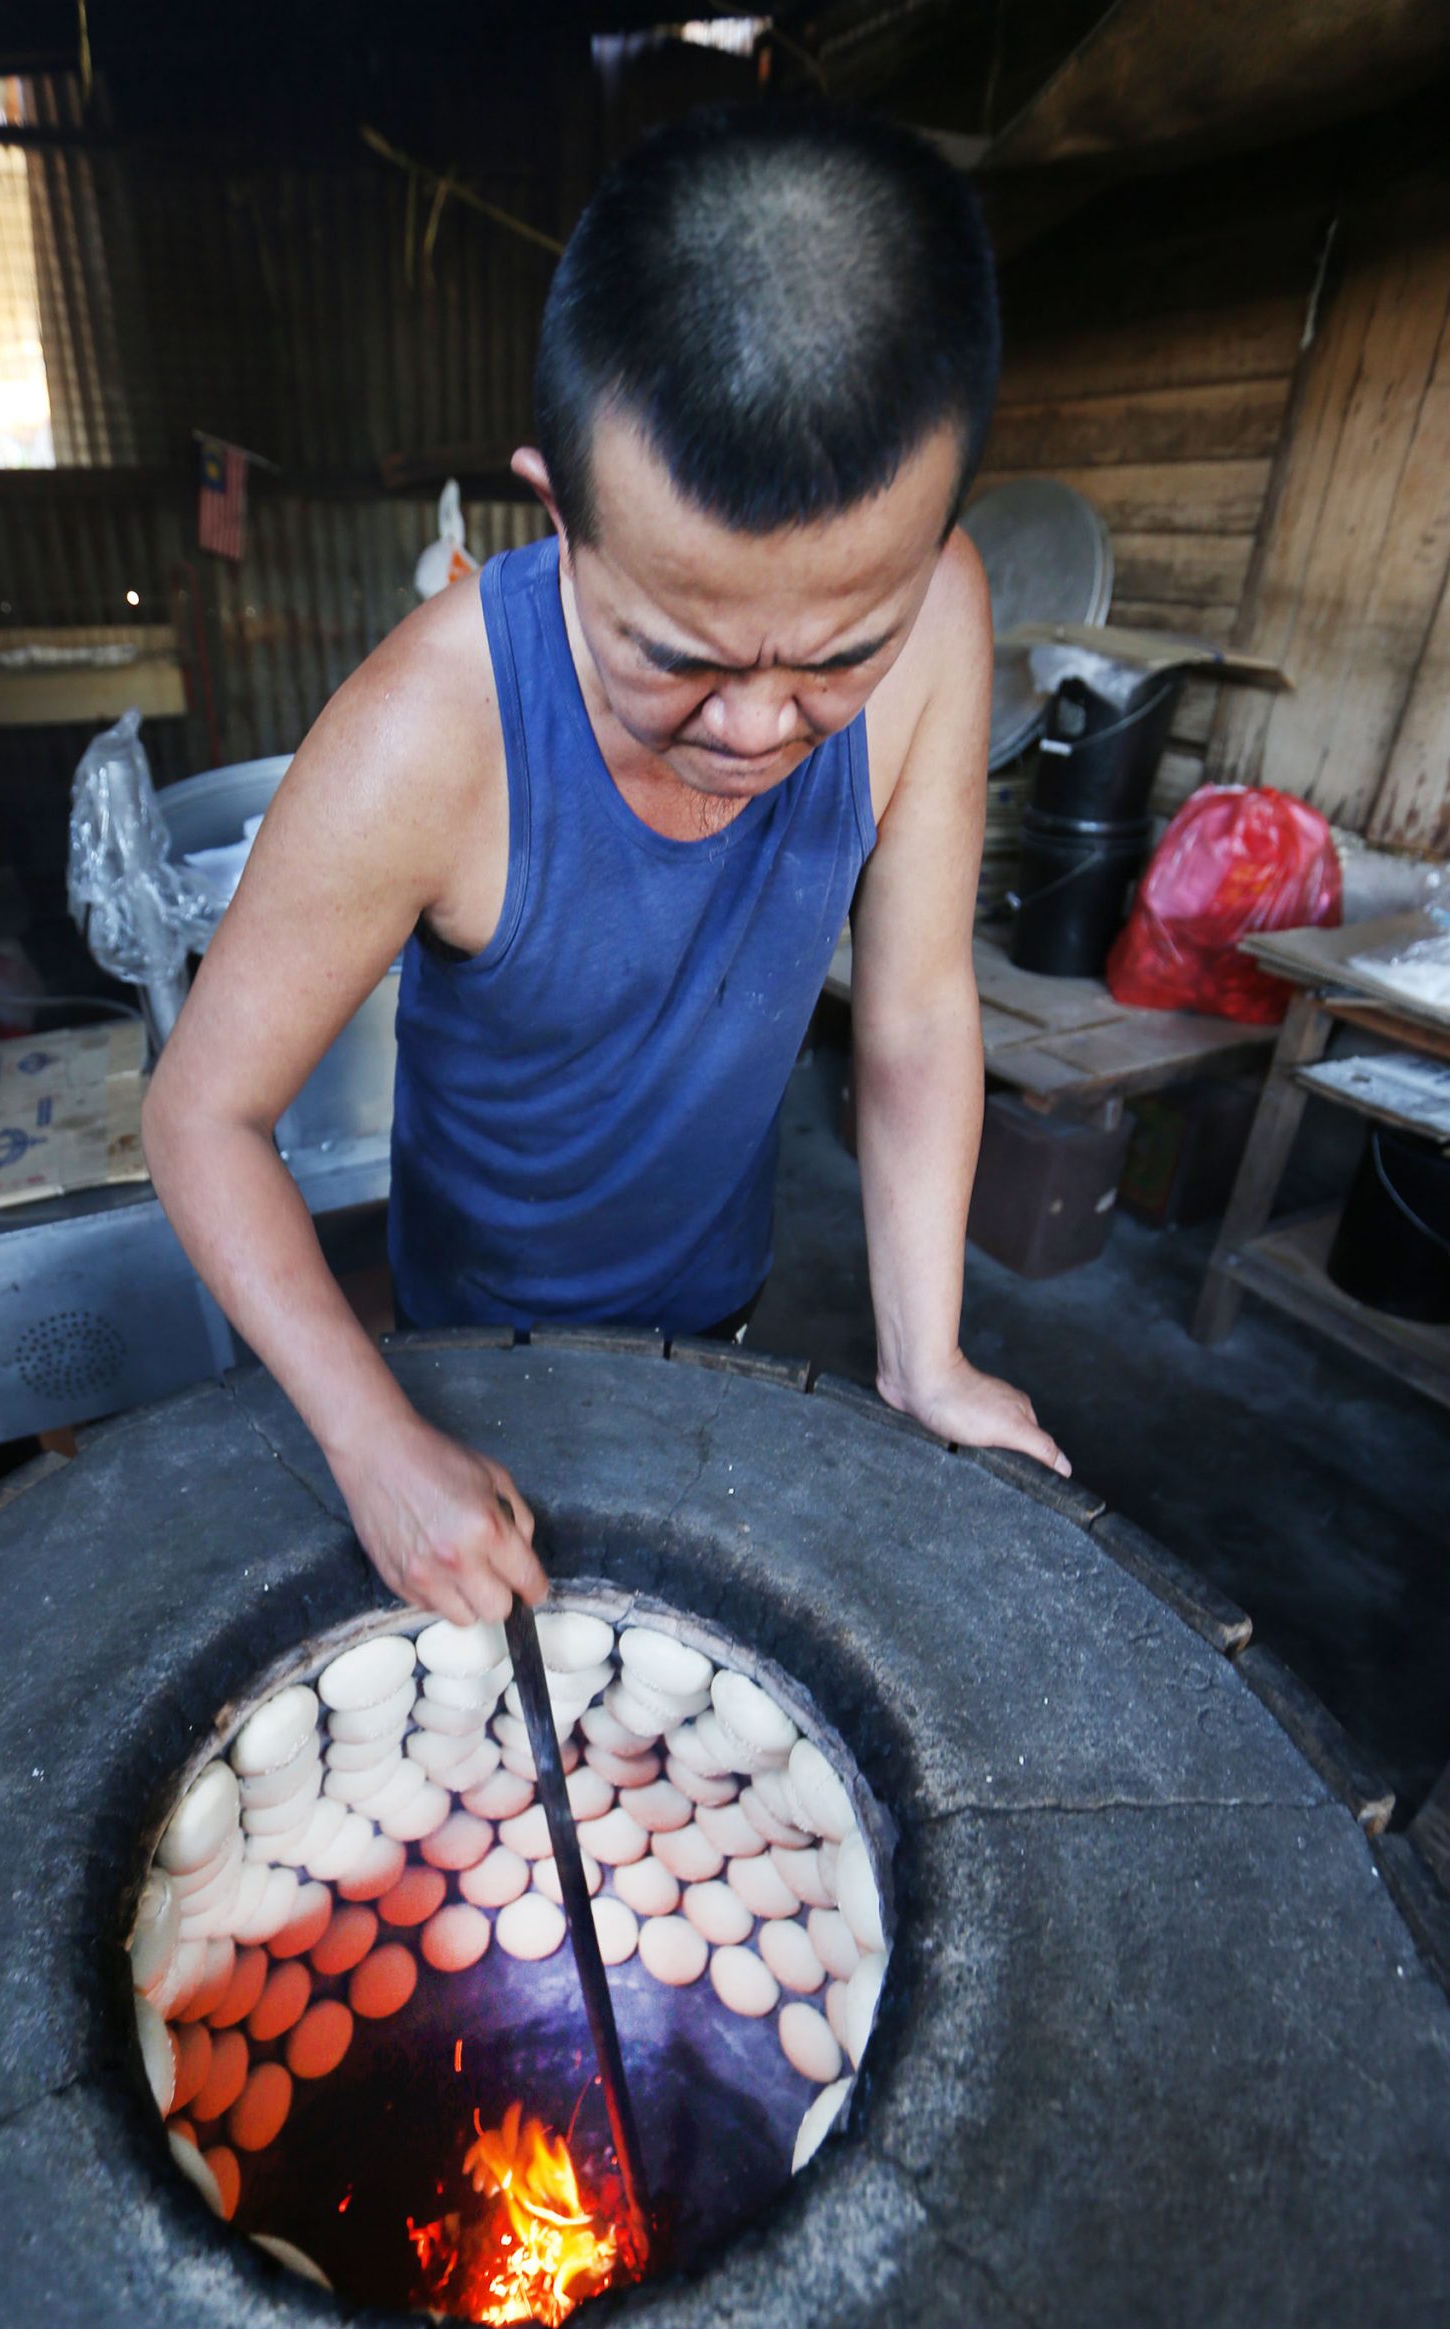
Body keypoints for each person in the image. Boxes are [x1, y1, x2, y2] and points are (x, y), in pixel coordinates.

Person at [143, 100, 1070, 1630]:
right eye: (681, 654)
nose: (765, 722)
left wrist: (930, 1358)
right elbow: (202, 1118)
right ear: (558, 508)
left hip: (718, 1295)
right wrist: (376, 1441)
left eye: (842, 649)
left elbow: (910, 1016)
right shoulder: (428, 735)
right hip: (474, 1345)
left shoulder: (946, 616)